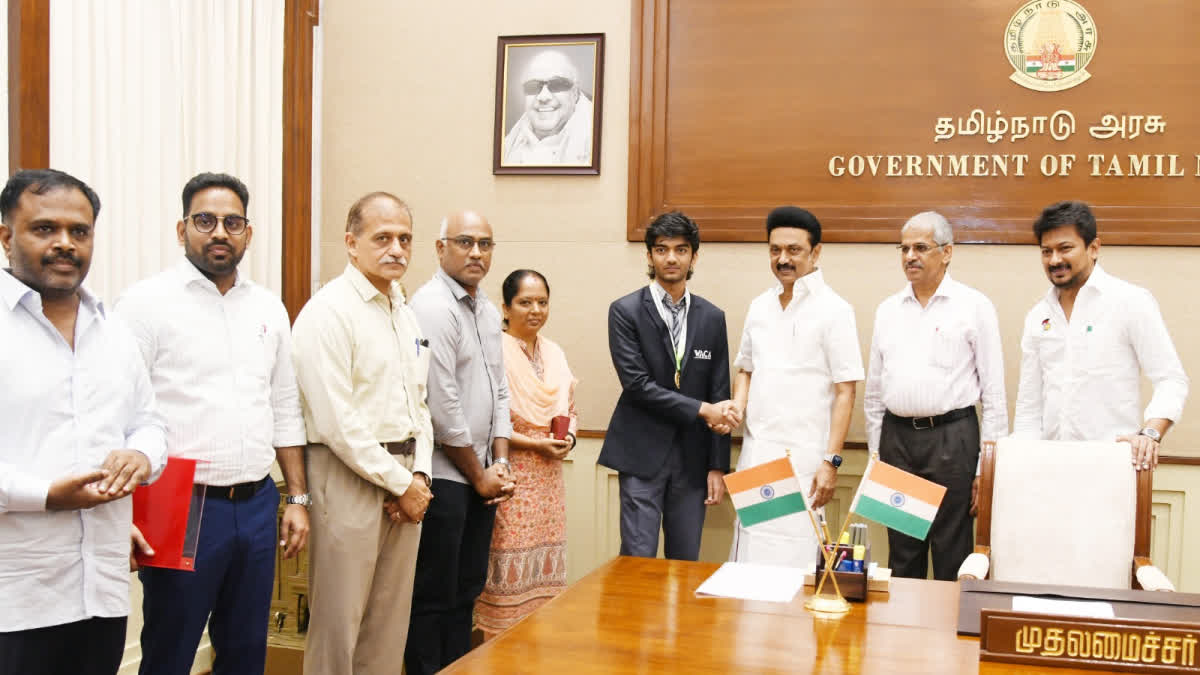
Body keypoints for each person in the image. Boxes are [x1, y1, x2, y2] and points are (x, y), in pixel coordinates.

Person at [116, 172, 309, 675]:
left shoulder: (268, 307)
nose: (219, 232)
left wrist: (298, 500)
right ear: (182, 230)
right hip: (179, 501)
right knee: (170, 648)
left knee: (246, 648)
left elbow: (284, 406)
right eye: (205, 220)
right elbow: (117, 409)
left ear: (248, 232)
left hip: (257, 499)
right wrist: (124, 511)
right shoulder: (144, 304)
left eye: (232, 222)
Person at [0, 168, 166, 675]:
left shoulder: (113, 331)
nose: (64, 244)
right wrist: (49, 495)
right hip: (15, 598)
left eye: (79, 231)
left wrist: (140, 457)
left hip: (103, 589)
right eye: (45, 229)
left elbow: (150, 424)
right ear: (6, 236)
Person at [291, 192, 434, 675]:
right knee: (339, 625)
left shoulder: (404, 311)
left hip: (404, 478)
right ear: (351, 244)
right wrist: (400, 483)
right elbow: (336, 421)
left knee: (388, 625)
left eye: (405, 239)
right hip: (347, 477)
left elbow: (421, 405)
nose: (397, 248)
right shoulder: (328, 312)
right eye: (383, 238)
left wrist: (419, 477)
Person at [863, 211, 1007, 581]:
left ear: (947, 252)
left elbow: (993, 394)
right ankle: (904, 637)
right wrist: (877, 456)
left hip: (953, 440)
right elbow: (875, 394)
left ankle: (947, 638)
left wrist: (985, 469)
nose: (910, 256)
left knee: (951, 552)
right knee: (904, 552)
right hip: (898, 442)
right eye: (904, 248)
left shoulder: (974, 306)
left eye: (921, 247)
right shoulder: (887, 310)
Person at [406, 210, 514, 674]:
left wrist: (501, 464)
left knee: (466, 590)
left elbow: (500, 388)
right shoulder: (432, 305)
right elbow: (442, 404)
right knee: (434, 594)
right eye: (465, 242)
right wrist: (479, 473)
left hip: (484, 476)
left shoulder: (487, 309)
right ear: (440, 247)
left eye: (485, 244)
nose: (476, 252)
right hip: (447, 476)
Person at [598, 211, 737, 562]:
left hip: (692, 462)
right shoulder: (625, 311)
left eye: (680, 249)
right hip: (642, 454)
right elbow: (637, 385)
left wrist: (718, 466)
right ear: (649, 256)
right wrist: (702, 410)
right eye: (661, 249)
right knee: (637, 561)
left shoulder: (712, 317)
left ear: (694, 256)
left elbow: (719, 390)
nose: (671, 258)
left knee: (685, 563)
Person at [728, 206, 863, 566]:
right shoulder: (759, 306)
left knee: (795, 555)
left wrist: (831, 462)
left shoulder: (836, 310)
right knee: (752, 555)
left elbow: (846, 390)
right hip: (758, 455)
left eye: (794, 250)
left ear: (815, 252)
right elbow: (746, 369)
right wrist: (737, 407)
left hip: (806, 460)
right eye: (775, 250)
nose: (783, 259)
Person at [1013, 200, 1188, 469]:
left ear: (1093, 248)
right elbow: (1029, 404)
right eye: (1046, 251)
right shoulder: (1038, 316)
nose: (1054, 260)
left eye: (1065, 248)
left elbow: (1171, 380)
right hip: (1049, 466)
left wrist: (1150, 434)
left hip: (1113, 464)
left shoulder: (1129, 301)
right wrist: (1021, 462)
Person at [474, 269, 577, 638]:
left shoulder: (554, 353)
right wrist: (535, 443)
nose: (535, 310)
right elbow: (487, 420)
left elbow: (570, 408)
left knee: (542, 591)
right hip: (510, 477)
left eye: (542, 302)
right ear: (505, 307)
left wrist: (571, 438)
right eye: (525, 302)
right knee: (506, 580)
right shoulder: (493, 351)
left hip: (549, 483)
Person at [502, 49, 594, 165]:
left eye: (557, 84)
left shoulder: (597, 143)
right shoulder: (510, 143)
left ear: (575, 94)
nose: (543, 97)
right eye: (533, 86)